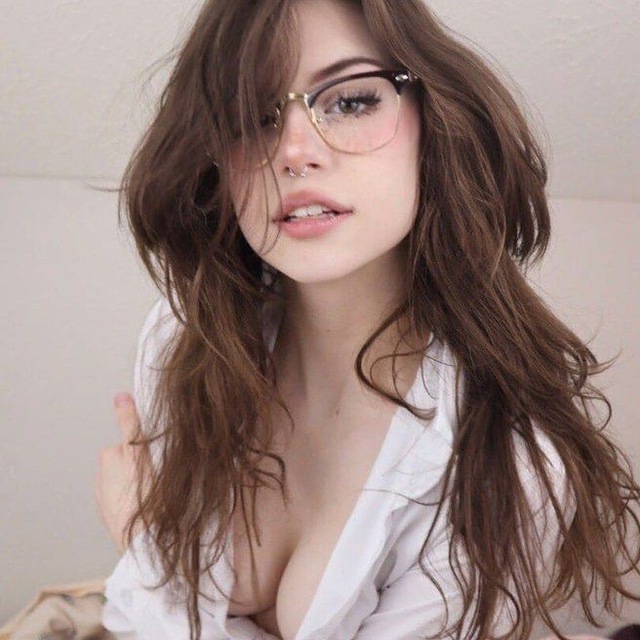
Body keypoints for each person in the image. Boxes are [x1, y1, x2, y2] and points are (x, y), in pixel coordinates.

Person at [94, 0, 640, 638]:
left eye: (351, 101)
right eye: (252, 117)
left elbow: (152, 602)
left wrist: (142, 543)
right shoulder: (184, 341)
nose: (294, 152)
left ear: (433, 119)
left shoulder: (508, 463)